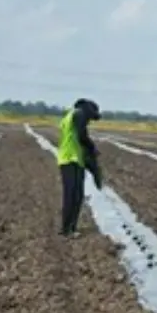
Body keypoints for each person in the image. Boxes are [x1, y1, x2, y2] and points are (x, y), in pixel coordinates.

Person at [55, 98, 101, 238]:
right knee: (72, 195)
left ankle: (70, 227)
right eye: (91, 118)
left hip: (74, 159)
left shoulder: (71, 116)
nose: (89, 121)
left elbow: (79, 137)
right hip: (70, 159)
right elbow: (82, 136)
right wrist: (92, 147)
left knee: (77, 195)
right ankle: (67, 229)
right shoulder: (79, 114)